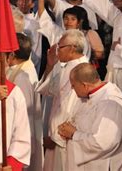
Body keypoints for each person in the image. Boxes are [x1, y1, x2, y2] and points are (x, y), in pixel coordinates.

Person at [58, 63, 122, 170]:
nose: (72, 88)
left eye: (73, 85)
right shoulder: (90, 95)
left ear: (85, 85)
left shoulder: (112, 104)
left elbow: (104, 143)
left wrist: (74, 134)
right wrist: (66, 130)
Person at [36, 29, 88, 171]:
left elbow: (71, 107)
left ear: (72, 48)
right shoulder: (67, 66)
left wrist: (55, 137)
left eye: (60, 47)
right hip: (57, 134)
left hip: (64, 138)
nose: (57, 50)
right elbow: (48, 90)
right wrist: (50, 65)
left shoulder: (81, 70)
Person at [6, 34, 43, 171]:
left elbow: (25, 112)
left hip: (19, 136)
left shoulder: (22, 75)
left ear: (12, 54)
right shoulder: (20, 68)